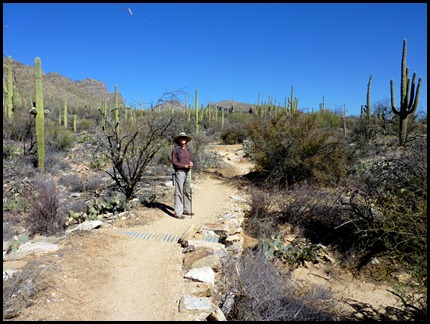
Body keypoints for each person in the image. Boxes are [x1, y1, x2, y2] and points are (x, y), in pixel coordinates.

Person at [171, 132, 194, 219]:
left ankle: (187, 210)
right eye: (181, 138)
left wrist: (191, 163)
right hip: (180, 172)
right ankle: (178, 212)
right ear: (179, 140)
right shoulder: (176, 149)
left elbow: (189, 159)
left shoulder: (188, 149)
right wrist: (183, 166)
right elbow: (174, 162)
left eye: (184, 138)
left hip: (188, 172)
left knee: (187, 191)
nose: (183, 139)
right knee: (179, 192)